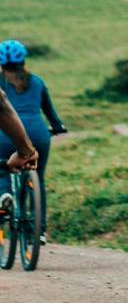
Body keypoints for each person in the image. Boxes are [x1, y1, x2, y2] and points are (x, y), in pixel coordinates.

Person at [0, 39, 66, 243]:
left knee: (3, 167)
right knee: (39, 177)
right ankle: (40, 230)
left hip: (5, 135)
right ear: (24, 60)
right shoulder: (37, 81)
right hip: (38, 134)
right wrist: (57, 127)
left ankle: (3, 195)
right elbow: (50, 112)